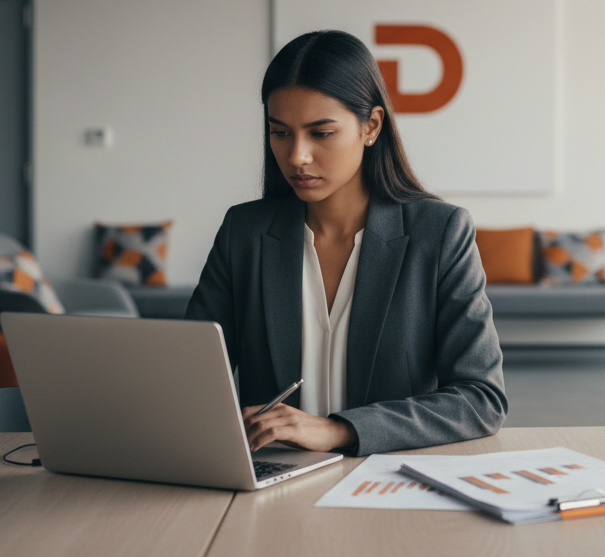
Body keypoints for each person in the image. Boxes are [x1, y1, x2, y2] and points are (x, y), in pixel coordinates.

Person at [186, 30, 507, 457]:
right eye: (280, 133)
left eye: (320, 133)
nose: (297, 156)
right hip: (273, 479)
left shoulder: (441, 232)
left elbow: (481, 399)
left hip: (391, 479)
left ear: (371, 127)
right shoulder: (243, 232)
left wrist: (339, 431)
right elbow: (189, 380)